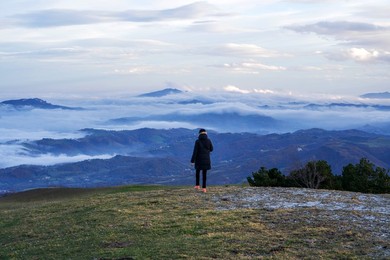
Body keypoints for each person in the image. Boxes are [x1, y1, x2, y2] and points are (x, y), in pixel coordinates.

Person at [191, 128, 213, 193]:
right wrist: (207, 151)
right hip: (206, 159)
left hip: (198, 159)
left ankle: (197, 185)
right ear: (206, 133)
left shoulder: (197, 141)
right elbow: (212, 149)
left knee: (197, 172)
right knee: (204, 174)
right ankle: (204, 188)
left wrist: (192, 161)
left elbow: (195, 152)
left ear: (199, 134)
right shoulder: (208, 140)